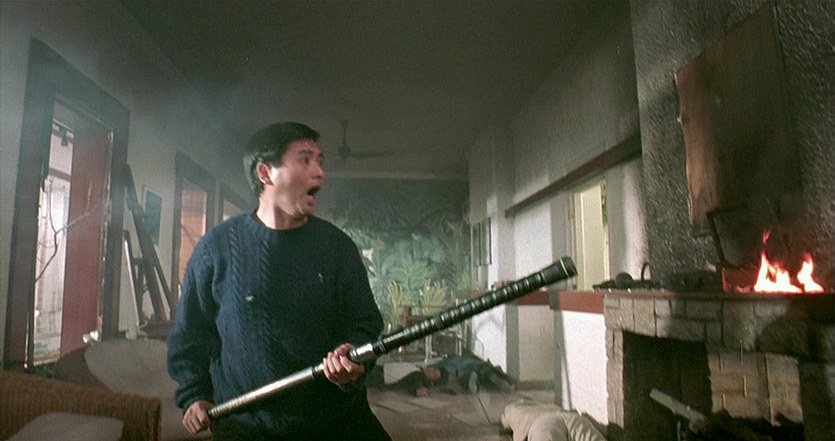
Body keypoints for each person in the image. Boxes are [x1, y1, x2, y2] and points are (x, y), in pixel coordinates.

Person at [167, 122, 391, 441]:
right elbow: (190, 337)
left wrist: (353, 353)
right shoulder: (215, 249)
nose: (319, 172)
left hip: (337, 422)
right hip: (247, 428)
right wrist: (194, 395)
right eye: (305, 159)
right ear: (265, 172)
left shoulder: (337, 247)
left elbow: (365, 323)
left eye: (320, 162)